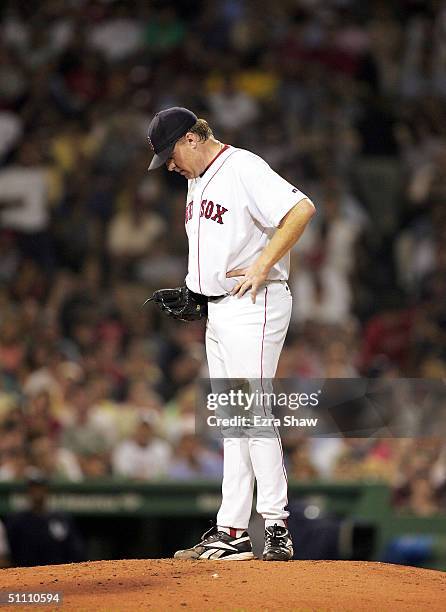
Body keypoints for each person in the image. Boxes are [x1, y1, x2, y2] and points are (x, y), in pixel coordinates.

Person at [147, 107, 315, 561]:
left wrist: (263, 262)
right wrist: (197, 290)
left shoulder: (243, 166)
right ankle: (232, 530)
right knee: (234, 420)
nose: (169, 165)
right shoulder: (195, 179)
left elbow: (301, 208)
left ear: (191, 139)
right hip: (219, 310)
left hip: (254, 304)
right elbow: (220, 245)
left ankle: (276, 524)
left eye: (170, 154)